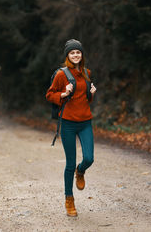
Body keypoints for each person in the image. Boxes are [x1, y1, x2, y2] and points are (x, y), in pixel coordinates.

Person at [46, 39, 97, 217]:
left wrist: (91, 94)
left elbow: (84, 99)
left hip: (85, 122)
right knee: (69, 163)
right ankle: (69, 199)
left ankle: (81, 171)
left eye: (78, 52)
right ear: (68, 55)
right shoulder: (61, 74)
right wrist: (63, 93)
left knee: (89, 158)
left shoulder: (87, 73)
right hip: (67, 122)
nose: (76, 55)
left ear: (82, 55)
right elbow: (49, 94)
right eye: (72, 52)